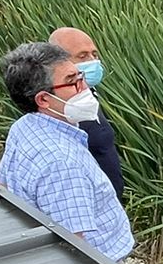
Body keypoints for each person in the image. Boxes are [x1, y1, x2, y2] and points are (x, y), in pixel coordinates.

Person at [0, 41, 135, 260]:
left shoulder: (24, 126)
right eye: (73, 82)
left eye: (80, 77)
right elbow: (73, 248)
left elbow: (1, 185)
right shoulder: (62, 163)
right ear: (43, 99)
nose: (85, 87)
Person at [48, 26, 124, 201]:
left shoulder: (89, 95)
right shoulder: (60, 107)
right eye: (82, 56)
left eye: (94, 54)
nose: (93, 61)